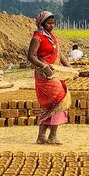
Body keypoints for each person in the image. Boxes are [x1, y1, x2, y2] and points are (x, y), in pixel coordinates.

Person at [27, 10, 71, 145]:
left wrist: (68, 66)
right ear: (42, 23)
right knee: (59, 101)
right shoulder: (38, 37)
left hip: (55, 74)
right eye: (49, 23)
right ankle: (52, 136)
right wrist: (43, 66)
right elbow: (31, 56)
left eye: (53, 23)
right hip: (45, 76)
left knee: (53, 105)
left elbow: (59, 53)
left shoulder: (51, 36)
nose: (52, 26)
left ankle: (42, 136)